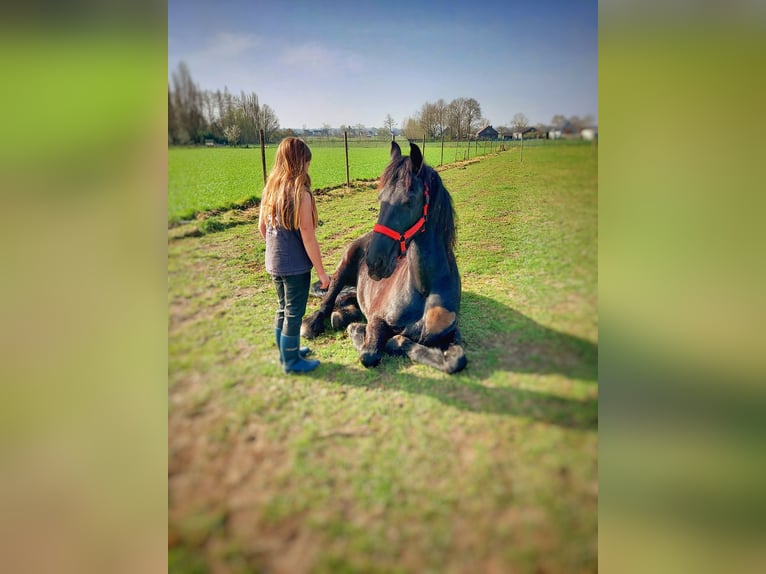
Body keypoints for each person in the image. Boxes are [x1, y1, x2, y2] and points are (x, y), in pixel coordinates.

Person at [259, 138, 331, 373]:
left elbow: (262, 228)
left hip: (274, 262)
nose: (308, 168)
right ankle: (291, 362)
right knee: (294, 313)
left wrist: (276, 248)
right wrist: (321, 273)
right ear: (300, 163)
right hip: (295, 267)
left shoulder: (270, 189)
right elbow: (308, 237)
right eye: (307, 163)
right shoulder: (301, 194)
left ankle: (286, 352)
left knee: (282, 308)